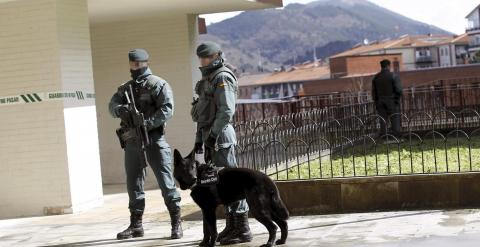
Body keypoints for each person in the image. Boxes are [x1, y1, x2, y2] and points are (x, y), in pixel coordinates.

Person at [109, 49, 182, 240]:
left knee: (166, 182)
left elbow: (167, 110)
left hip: (153, 139)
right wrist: (121, 110)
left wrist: (147, 124)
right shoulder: (126, 88)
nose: (136, 67)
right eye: (133, 64)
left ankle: (176, 222)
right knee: (133, 182)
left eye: (139, 64)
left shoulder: (158, 84)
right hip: (132, 141)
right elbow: (111, 106)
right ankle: (136, 225)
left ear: (146, 63)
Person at [190, 42, 252, 245]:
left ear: (217, 56)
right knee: (219, 183)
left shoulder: (222, 77)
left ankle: (242, 228)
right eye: (201, 57)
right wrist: (201, 140)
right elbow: (202, 113)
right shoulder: (207, 79)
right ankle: (231, 225)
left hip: (219, 138)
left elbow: (226, 111)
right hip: (208, 136)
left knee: (231, 183)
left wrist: (211, 137)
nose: (203, 60)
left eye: (207, 57)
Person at [372, 59, 403, 138]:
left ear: (381, 66)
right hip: (392, 101)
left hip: (380, 102)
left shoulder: (376, 77)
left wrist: (376, 102)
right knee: (395, 119)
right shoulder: (393, 75)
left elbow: (373, 92)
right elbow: (399, 90)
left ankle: (384, 137)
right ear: (389, 66)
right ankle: (396, 137)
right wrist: (397, 99)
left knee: (383, 120)